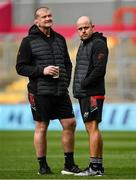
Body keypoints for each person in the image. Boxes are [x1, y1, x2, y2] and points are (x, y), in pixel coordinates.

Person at [16, 7, 81, 175]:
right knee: (42, 126)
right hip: (39, 91)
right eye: (44, 16)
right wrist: (42, 71)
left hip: (60, 90)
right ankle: (43, 166)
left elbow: (67, 63)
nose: (48, 18)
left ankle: (69, 164)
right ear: (36, 21)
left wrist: (65, 80)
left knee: (70, 123)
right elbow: (21, 67)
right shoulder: (27, 41)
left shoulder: (60, 38)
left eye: (49, 15)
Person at [73, 16, 109, 176]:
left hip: (92, 92)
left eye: (86, 27)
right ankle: (98, 167)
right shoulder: (84, 44)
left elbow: (99, 69)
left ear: (92, 26)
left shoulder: (98, 44)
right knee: (92, 128)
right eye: (80, 29)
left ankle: (94, 167)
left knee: (92, 127)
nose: (83, 31)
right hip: (85, 93)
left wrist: (84, 84)